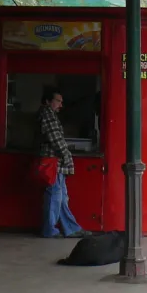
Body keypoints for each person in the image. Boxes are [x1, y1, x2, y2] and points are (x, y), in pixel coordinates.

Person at [37, 87, 87, 239]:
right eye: (58, 101)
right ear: (48, 101)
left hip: (54, 162)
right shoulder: (48, 115)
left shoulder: (48, 114)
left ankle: (70, 228)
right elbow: (56, 139)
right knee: (55, 196)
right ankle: (50, 229)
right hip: (54, 163)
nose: (60, 105)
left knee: (61, 197)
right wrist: (66, 156)